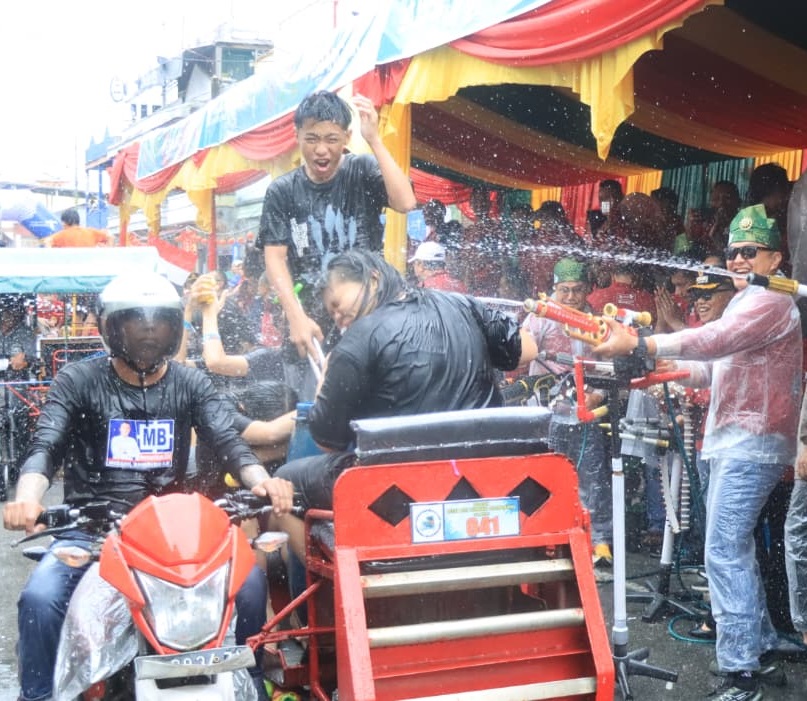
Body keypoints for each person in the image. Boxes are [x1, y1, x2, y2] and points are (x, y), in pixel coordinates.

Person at [3, 271, 295, 701]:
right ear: (110, 327)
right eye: (136, 323)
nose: (148, 333)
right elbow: (47, 445)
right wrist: (26, 499)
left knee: (249, 582)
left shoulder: (190, 383)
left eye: (158, 323)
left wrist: (265, 483)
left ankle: (245, 684)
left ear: (174, 327)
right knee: (40, 600)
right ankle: (39, 696)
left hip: (173, 538)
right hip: (91, 529)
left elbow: (232, 445)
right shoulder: (79, 381)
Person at [593, 204, 802, 700]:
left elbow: (715, 341)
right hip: (736, 439)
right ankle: (761, 647)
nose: (737, 259)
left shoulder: (768, 304)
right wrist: (660, 369)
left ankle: (740, 673)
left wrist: (642, 343)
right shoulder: (748, 302)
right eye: (732, 251)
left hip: (752, 441)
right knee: (736, 548)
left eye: (749, 251)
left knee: (723, 550)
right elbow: (715, 367)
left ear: (775, 258)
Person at [270, 250, 538, 563]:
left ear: (373, 277)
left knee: (282, 484)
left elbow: (326, 441)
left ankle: (330, 595)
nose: (338, 318)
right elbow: (527, 349)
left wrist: (328, 373)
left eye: (337, 305)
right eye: (331, 314)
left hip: (398, 491)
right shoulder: (461, 304)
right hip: (489, 478)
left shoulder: (357, 341)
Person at [256, 90, 416, 400]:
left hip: (369, 320)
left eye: (331, 139)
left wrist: (375, 140)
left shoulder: (361, 170)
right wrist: (295, 317)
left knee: (375, 410)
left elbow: (406, 201)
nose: (321, 150)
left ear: (346, 136)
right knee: (311, 414)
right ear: (297, 135)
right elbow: (274, 258)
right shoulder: (282, 191)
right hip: (311, 328)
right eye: (311, 138)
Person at [522, 258, 612, 565]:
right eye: (564, 291)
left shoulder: (597, 321)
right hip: (546, 409)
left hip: (585, 409)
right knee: (544, 472)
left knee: (592, 476)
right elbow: (523, 351)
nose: (571, 297)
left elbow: (608, 368)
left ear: (587, 290)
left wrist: (598, 394)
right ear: (554, 289)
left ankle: (598, 541)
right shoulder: (541, 317)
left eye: (576, 290)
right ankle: (544, 535)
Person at [45, 208, 112, 248]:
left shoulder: (62, 235)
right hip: (89, 266)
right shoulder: (91, 232)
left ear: (64, 222)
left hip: (71, 266)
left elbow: (48, 241)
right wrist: (107, 253)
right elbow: (110, 237)